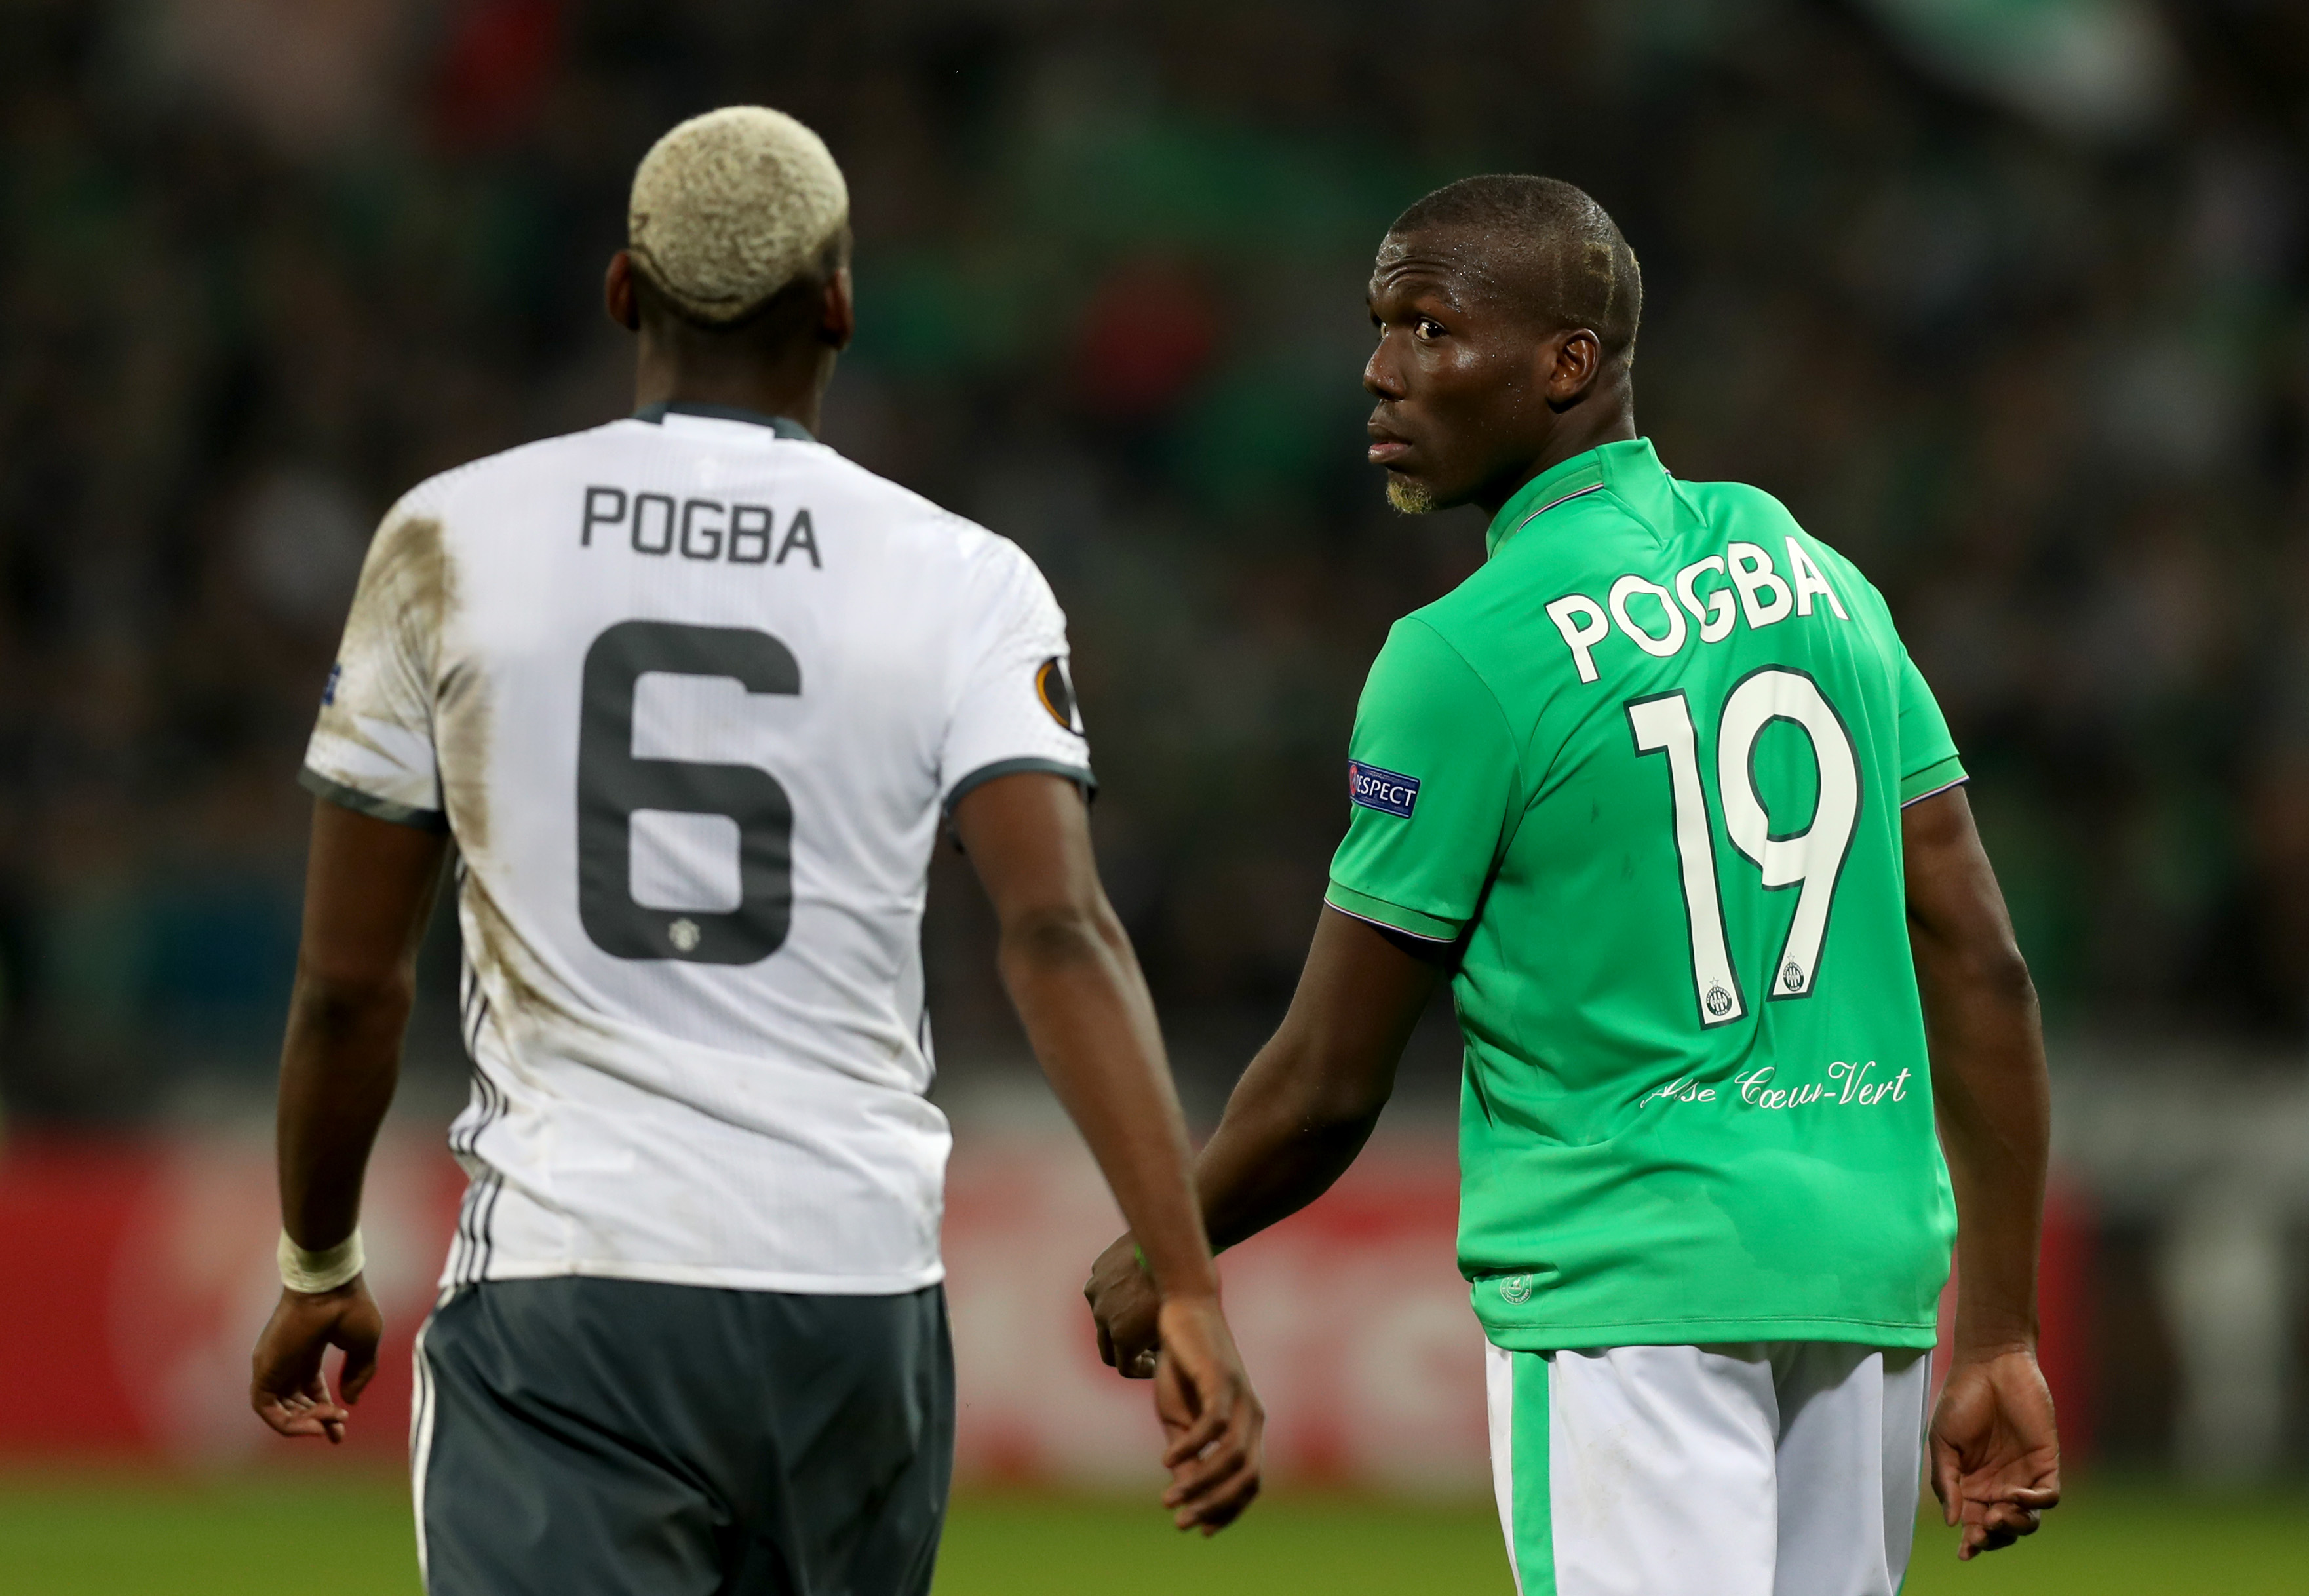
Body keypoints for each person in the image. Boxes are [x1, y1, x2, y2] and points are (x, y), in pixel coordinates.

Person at [248, 106, 1261, 1595]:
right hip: (852, 1296)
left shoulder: (446, 541)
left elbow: (352, 987)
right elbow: (1058, 932)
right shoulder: (965, 578)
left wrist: (320, 1263)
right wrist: (1185, 1279)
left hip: (573, 1281)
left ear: (620, 292)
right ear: (843, 300)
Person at [1085, 175, 2058, 1594]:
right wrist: (2004, 1334)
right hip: (1860, 1283)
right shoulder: (1817, 578)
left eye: (1428, 326)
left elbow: (1325, 1085)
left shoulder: (1463, 655)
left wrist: (1164, 1252)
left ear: (1568, 365)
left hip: (1627, 1288)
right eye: (1377, 326)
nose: (1377, 369)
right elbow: (1981, 960)